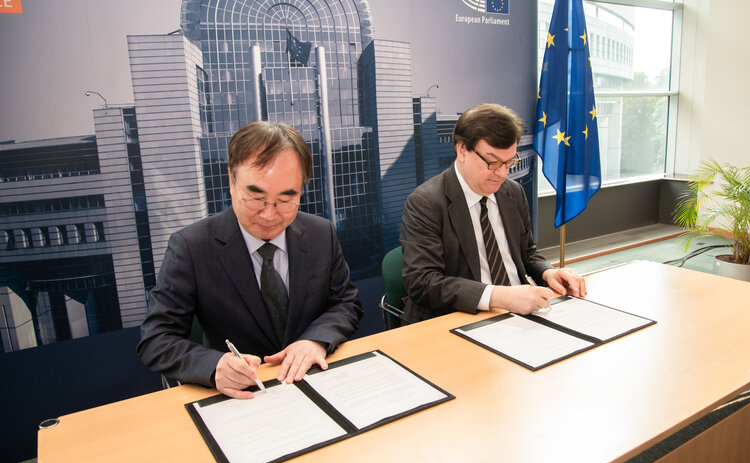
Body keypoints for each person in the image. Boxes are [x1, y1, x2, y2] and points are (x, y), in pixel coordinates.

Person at [138, 121, 363, 398]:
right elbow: (156, 339)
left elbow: (345, 302)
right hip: (243, 395)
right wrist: (214, 365)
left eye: (285, 200)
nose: (269, 215)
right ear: (231, 181)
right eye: (256, 198)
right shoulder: (191, 247)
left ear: (302, 190)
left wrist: (315, 340)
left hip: (314, 381)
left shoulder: (320, 233)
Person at [399, 103, 586, 324]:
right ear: (462, 150)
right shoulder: (426, 203)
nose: (502, 173)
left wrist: (548, 273)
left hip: (522, 315)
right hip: (462, 319)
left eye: (509, 162)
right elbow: (422, 283)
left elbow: (526, 253)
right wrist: (499, 296)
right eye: (492, 162)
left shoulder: (512, 192)